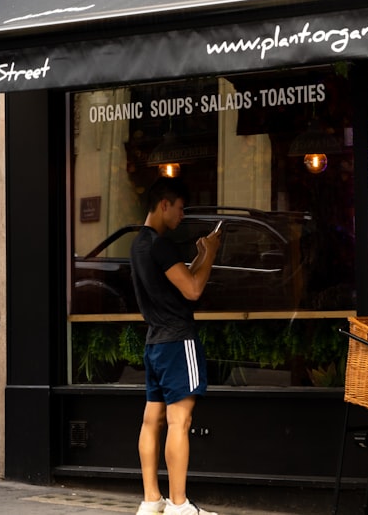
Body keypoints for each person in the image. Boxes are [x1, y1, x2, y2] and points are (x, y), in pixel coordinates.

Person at [131, 177, 221, 515]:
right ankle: (179, 505)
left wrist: (199, 257)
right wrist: (211, 252)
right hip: (177, 340)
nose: (182, 216)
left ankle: (152, 500)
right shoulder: (161, 245)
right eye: (180, 208)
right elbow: (194, 291)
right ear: (164, 204)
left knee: (151, 421)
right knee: (179, 422)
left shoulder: (139, 244)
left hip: (155, 342)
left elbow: (181, 284)